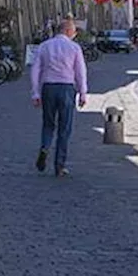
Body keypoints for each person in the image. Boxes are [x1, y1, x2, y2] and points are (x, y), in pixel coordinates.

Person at [29, 16, 88, 177]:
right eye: (74, 32)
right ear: (68, 31)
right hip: (66, 88)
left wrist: (35, 92)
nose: (75, 35)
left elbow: (35, 70)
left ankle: (45, 147)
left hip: (48, 87)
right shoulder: (74, 48)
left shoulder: (44, 46)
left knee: (48, 124)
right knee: (65, 128)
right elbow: (80, 72)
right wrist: (83, 92)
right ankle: (59, 165)